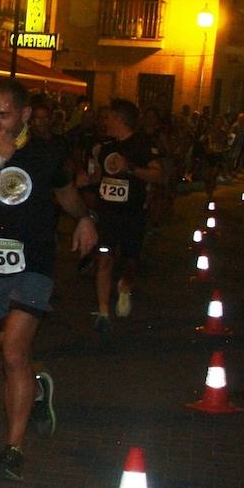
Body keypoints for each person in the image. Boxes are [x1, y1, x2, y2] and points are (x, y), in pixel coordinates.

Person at [0, 77, 98, 481]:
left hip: (33, 267)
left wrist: (85, 219)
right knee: (15, 357)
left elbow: (67, 195)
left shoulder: (47, 154)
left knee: (13, 353)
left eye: (4, 115)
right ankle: (37, 386)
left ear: (25, 115)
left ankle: (13, 449)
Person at [87, 99, 163, 331]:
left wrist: (130, 168)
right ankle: (103, 311)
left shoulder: (143, 144)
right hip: (108, 216)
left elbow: (158, 175)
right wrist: (80, 180)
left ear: (119, 119)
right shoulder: (105, 147)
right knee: (104, 260)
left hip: (132, 215)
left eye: (108, 117)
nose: (105, 121)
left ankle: (125, 287)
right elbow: (97, 177)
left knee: (130, 263)